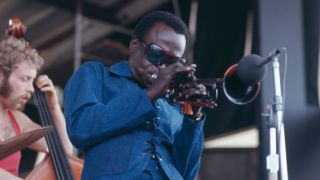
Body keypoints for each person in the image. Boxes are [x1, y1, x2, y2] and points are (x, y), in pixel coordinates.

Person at [64, 11, 213, 180]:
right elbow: (80, 128)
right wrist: (149, 95)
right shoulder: (96, 75)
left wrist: (193, 119)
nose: (163, 66)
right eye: (157, 54)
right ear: (134, 45)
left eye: (173, 62)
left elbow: (186, 174)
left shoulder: (173, 101)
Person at [0, 26, 73, 179]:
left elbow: (64, 152)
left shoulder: (18, 119)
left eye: (32, 81)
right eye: (24, 79)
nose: (31, 89)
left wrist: (54, 107)